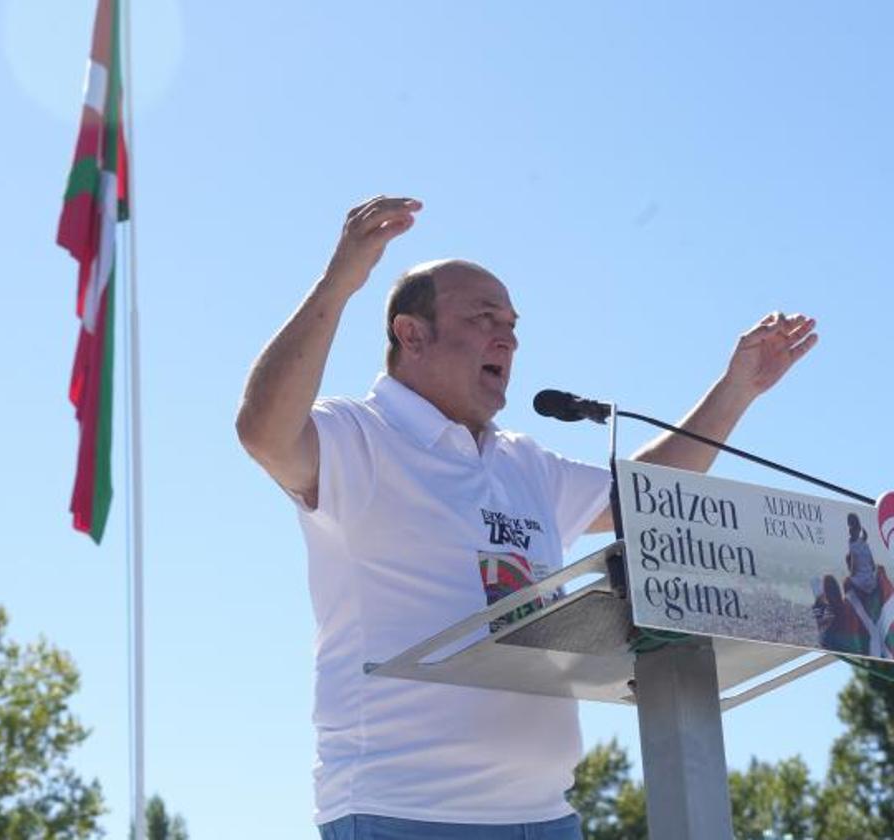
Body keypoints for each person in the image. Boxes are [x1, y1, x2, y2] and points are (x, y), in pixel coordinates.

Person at [235, 195, 818, 839]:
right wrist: (339, 282)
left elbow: (648, 498)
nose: (507, 337)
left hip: (546, 815)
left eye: (513, 324)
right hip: (405, 811)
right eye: (484, 318)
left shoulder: (523, 464)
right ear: (411, 333)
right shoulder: (359, 436)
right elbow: (264, 431)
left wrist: (738, 389)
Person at [841, 512, 894, 659]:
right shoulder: (865, 544)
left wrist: (852, 575)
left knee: (847, 583)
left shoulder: (851, 542)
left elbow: (853, 566)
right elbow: (871, 564)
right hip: (871, 579)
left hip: (860, 581)